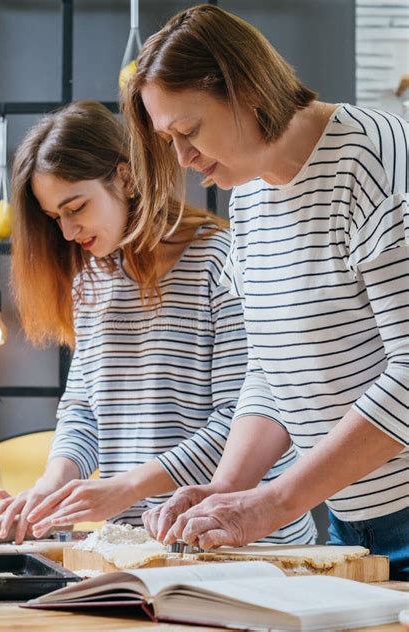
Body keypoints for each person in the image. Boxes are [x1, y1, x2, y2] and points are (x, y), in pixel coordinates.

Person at [122, 4, 409, 579]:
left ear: (247, 89)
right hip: (353, 521)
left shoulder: (376, 158)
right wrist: (225, 490)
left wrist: (277, 503)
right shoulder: (249, 194)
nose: (182, 159)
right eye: (168, 139)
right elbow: (275, 369)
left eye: (190, 131)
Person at [0, 100, 316, 546]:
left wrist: (126, 488)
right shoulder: (90, 284)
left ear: (124, 176)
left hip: (246, 540)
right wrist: (52, 486)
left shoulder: (220, 263)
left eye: (75, 207)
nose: (66, 232)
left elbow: (241, 422)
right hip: (143, 545)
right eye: (53, 217)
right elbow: (84, 413)